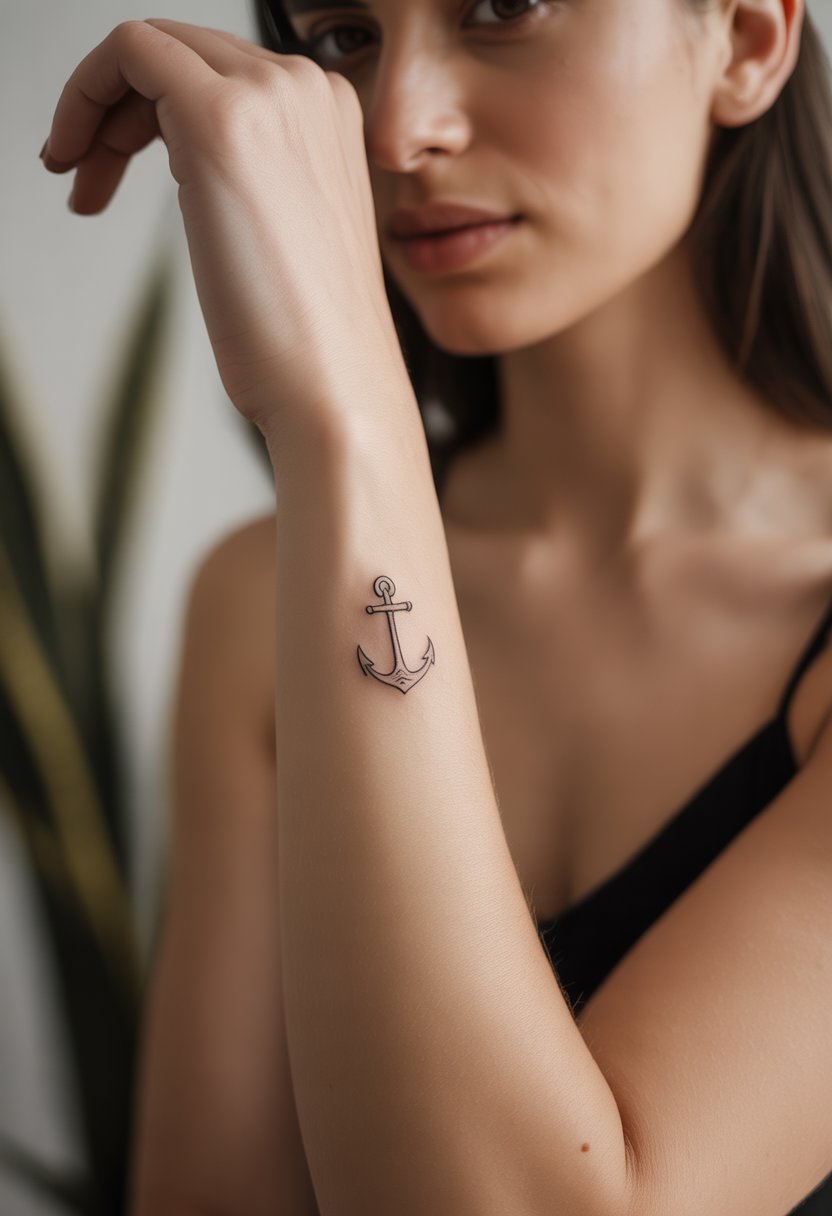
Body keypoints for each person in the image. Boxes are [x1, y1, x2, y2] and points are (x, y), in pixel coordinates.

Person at [41, 2, 832, 1213]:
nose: (396, 129)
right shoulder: (257, 603)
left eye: (503, 7)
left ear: (744, 39)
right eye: (344, 33)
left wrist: (347, 411)